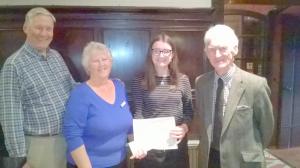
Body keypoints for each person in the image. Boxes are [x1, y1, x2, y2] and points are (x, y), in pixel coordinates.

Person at [0, 7, 75, 168]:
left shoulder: (56, 56)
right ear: (26, 28)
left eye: (48, 29)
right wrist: (20, 160)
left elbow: (73, 87)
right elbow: (10, 117)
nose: (44, 33)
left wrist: (101, 85)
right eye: (38, 27)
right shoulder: (13, 65)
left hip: (67, 139)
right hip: (40, 147)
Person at [195, 24, 274, 168]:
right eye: (212, 49)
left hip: (243, 161)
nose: (217, 55)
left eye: (223, 48)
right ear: (206, 52)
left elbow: (267, 128)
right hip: (209, 158)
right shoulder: (201, 83)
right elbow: (202, 120)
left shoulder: (256, 85)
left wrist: (251, 150)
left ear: (235, 49)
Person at [63, 41, 133, 168]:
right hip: (89, 164)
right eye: (96, 61)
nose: (101, 64)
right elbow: (72, 135)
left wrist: (137, 145)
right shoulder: (80, 94)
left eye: (105, 59)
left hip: (120, 161)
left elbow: (128, 125)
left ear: (110, 62)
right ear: (87, 66)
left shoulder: (119, 87)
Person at [130, 33, 193, 168]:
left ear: (172, 55)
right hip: (149, 149)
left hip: (176, 146)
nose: (161, 55)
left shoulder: (183, 80)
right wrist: (139, 142)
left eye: (166, 51)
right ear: (150, 54)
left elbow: (189, 112)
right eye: (157, 51)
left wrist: (184, 127)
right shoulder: (139, 80)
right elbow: (138, 113)